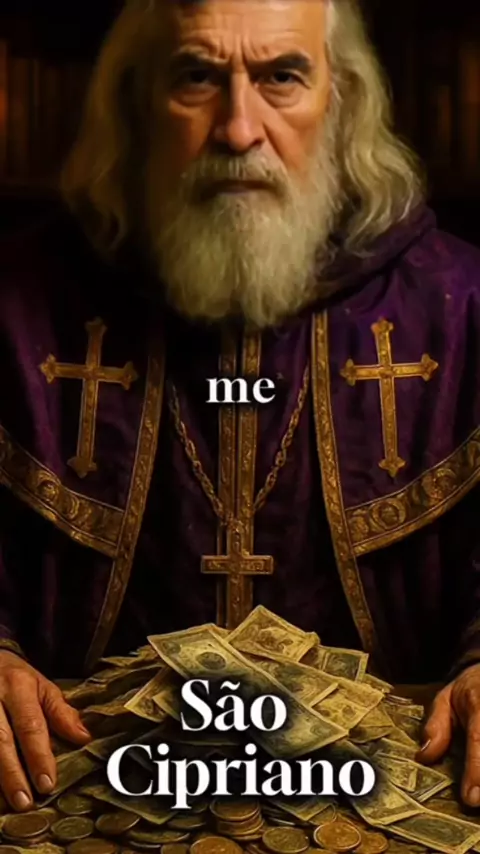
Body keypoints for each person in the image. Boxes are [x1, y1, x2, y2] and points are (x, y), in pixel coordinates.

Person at [0, 0, 479, 817]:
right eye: (196, 77)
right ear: (135, 100)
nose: (238, 130)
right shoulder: (17, 305)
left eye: (281, 76)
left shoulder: (461, 308)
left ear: (342, 101)